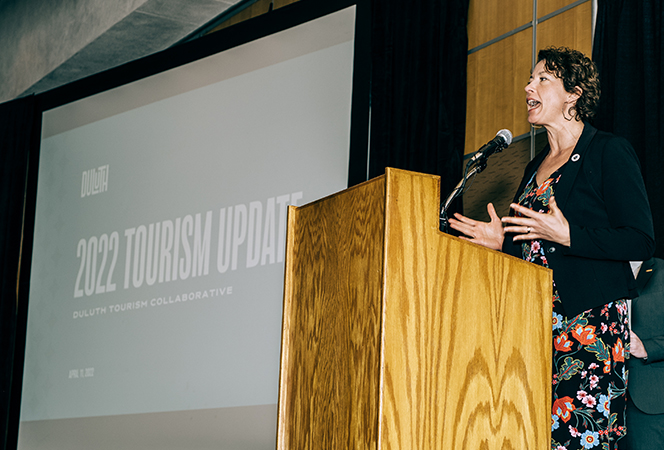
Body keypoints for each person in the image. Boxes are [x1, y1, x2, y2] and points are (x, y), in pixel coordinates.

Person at [449, 46, 655, 450]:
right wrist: (501, 244)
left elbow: (640, 238)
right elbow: (535, 250)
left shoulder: (607, 151)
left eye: (543, 78)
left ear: (574, 93)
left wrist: (570, 235)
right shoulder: (535, 167)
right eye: (530, 78)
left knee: (579, 439)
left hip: (589, 325)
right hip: (536, 324)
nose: (529, 86)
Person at [627, 257, 664, 450]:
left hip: (649, 398)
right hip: (600, 398)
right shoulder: (595, 271)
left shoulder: (661, 271)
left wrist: (647, 347)